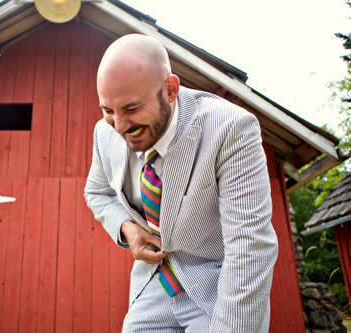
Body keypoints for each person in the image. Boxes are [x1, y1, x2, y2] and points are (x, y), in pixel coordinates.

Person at [84, 34, 278, 332]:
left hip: (218, 290)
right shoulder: (104, 133)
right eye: (108, 110)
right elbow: (97, 193)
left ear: (170, 90)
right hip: (153, 284)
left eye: (132, 109)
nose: (119, 127)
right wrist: (128, 229)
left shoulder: (231, 129)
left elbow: (250, 246)